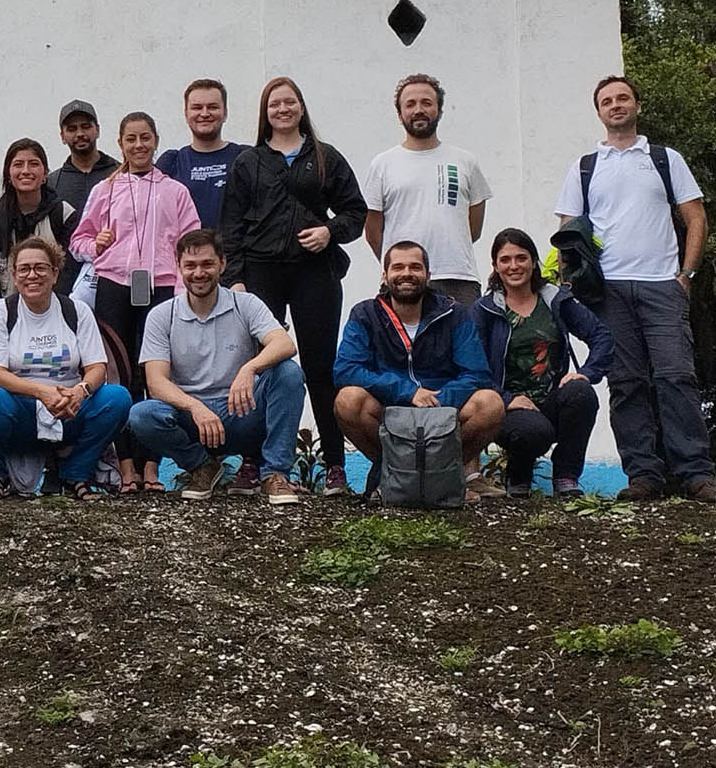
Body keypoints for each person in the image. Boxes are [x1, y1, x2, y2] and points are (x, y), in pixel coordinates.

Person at [555, 75, 716, 503]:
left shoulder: (665, 159)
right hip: (607, 290)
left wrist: (687, 274)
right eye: (607, 101)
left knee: (676, 377)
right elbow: (568, 230)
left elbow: (695, 217)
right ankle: (643, 475)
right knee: (625, 382)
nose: (615, 105)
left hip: (662, 284)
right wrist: (571, 281)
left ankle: (696, 475)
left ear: (637, 106)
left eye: (623, 98)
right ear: (598, 112)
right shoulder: (585, 166)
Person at [216, 75, 368, 492]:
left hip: (313, 273)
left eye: (289, 103)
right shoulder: (249, 162)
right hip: (261, 273)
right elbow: (230, 225)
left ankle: (334, 466)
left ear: (301, 107)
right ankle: (253, 462)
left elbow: (356, 213)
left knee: (320, 368)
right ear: (265, 114)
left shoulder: (325, 157)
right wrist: (237, 280)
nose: (282, 110)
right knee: (261, 367)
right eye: (274, 105)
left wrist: (329, 232)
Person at [127, 228, 308, 504]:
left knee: (289, 373)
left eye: (207, 264)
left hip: (242, 411)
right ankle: (202, 467)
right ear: (178, 267)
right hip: (193, 420)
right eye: (190, 265)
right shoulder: (162, 315)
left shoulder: (244, 304)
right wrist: (194, 406)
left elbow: (284, 344)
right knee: (142, 414)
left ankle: (274, 475)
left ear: (222, 264)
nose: (199, 273)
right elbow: (156, 381)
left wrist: (249, 369)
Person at [74, 112, 203, 492]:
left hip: (161, 289)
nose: (139, 145)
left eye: (145, 138)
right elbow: (79, 241)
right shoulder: (105, 190)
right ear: (121, 144)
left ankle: (151, 469)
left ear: (156, 140)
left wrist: (181, 290)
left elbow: (189, 245)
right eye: (131, 139)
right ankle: (127, 468)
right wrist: (95, 245)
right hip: (114, 286)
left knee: (155, 376)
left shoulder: (176, 191)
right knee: (120, 377)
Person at [0, 238, 132, 498]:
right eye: (24, 269)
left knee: (118, 398)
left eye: (41, 268)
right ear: (14, 275)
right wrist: (41, 393)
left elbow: (97, 368)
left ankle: (75, 474)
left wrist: (80, 391)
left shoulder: (77, 310)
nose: (32, 275)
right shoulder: (0, 311)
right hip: (19, 411)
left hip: (69, 408)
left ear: (55, 274)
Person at [332, 241, 505, 483]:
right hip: (389, 408)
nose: (406, 274)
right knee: (348, 401)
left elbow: (476, 374)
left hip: (443, 411)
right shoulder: (365, 314)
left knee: (490, 404)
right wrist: (406, 392)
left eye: (415, 267)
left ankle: (444, 477)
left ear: (428, 275)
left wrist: (436, 401)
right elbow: (346, 370)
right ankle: (390, 473)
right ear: (385, 275)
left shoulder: (454, 314)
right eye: (398, 267)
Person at [472, 227, 609, 497]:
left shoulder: (556, 300)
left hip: (551, 400)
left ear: (534, 262)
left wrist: (587, 373)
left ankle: (567, 478)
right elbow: (471, 365)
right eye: (505, 260)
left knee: (581, 394)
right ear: (495, 266)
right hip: (507, 408)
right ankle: (518, 476)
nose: (514, 266)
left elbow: (601, 335)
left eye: (521, 258)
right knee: (535, 432)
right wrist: (505, 398)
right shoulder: (485, 310)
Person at [363, 74, 491, 304]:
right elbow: (373, 233)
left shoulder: (465, 161)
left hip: (459, 278)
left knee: (463, 340)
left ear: (439, 111)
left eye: (426, 103)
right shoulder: (382, 164)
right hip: (402, 282)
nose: (418, 110)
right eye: (410, 104)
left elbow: (473, 228)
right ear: (399, 113)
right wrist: (400, 266)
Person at [0, 137, 87, 301]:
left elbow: (71, 270)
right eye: (18, 164)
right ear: (8, 174)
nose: (25, 171)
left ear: (45, 173)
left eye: (33, 164)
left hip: (52, 307)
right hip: (6, 308)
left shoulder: (63, 215)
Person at [155, 78, 241, 232]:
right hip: (187, 254)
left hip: (235, 254)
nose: (204, 113)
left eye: (213, 107)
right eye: (197, 107)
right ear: (186, 114)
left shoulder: (245, 157)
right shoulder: (171, 163)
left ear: (225, 113)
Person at [48, 100, 119, 219]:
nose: (80, 133)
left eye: (85, 127)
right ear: (62, 136)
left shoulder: (121, 173)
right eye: (72, 129)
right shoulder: (52, 184)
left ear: (97, 130)